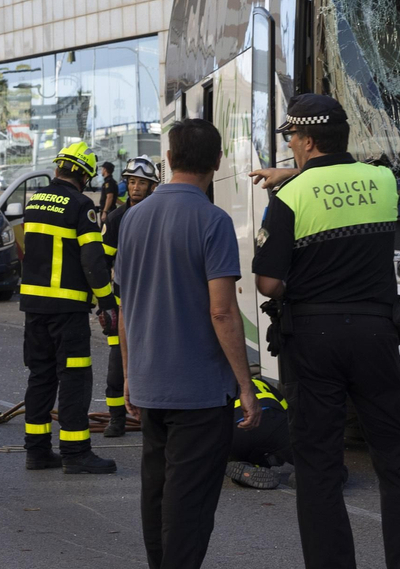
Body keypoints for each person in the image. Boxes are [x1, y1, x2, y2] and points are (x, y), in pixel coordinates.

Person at [251, 93, 400, 569]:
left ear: (308, 140)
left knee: (317, 465)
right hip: (376, 334)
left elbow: (268, 282)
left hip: (313, 338)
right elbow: (340, 181)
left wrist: (289, 183)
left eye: (292, 137)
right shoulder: (382, 180)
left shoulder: (288, 197)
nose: (290, 146)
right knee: (396, 456)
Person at [115, 119, 258, 569]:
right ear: (218, 162)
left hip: (149, 384)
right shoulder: (213, 221)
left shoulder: (132, 218)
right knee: (189, 505)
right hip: (199, 391)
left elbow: (126, 306)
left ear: (170, 160)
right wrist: (246, 384)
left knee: (156, 493)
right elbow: (222, 311)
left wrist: (128, 376)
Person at [18, 141, 117, 475]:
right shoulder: (80, 206)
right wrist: (107, 303)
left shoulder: (34, 202)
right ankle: (75, 453)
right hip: (67, 309)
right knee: (75, 378)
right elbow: (93, 259)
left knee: (41, 375)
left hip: (34, 308)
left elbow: (25, 249)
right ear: (83, 175)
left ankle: (37, 452)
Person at [101, 156, 158, 438]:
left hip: (151, 302)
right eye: (132, 182)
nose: (136, 188)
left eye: (142, 183)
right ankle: (116, 419)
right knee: (116, 368)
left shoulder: (158, 216)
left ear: (152, 186)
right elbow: (103, 263)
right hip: (121, 302)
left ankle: (152, 419)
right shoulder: (115, 219)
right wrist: (104, 304)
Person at [225, 375, 292, 489]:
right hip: (272, 422)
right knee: (305, 454)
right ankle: (306, 471)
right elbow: (287, 410)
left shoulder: (221, 388)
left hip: (238, 431)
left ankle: (246, 468)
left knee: (239, 453)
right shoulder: (259, 383)